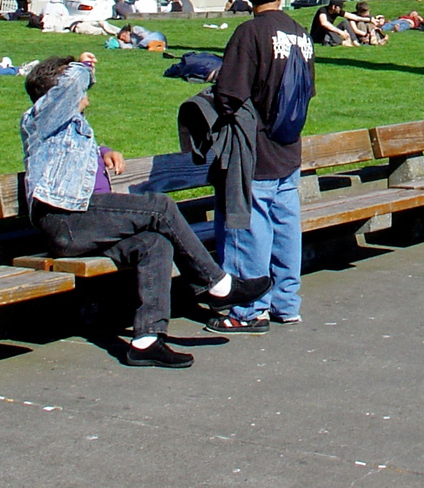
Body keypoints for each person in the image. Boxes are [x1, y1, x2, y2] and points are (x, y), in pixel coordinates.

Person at [21, 53, 268, 364]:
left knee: (154, 243)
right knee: (160, 207)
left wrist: (105, 151)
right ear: (56, 92)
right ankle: (216, 284)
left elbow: (65, 155)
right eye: (75, 84)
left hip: (87, 220)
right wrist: (79, 65)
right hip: (66, 219)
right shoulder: (40, 117)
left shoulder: (68, 124)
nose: (84, 91)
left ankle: (146, 341)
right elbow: (70, 87)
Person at [208, 0, 315, 333]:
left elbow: (230, 95)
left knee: (246, 231)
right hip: (289, 149)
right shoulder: (300, 33)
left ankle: (248, 309)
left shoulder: (249, 34)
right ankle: (287, 302)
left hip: (254, 153)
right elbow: (308, 91)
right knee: (286, 230)